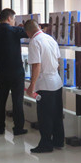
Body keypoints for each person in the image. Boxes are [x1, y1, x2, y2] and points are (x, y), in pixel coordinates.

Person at [25, 19, 64, 153]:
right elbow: (57, 60)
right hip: (57, 82)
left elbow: (36, 65)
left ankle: (46, 144)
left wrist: (32, 86)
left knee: (45, 116)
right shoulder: (50, 38)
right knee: (57, 114)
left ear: (28, 32)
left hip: (45, 84)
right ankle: (58, 141)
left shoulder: (34, 42)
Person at [0, 8, 28, 136]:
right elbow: (30, 33)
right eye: (14, 19)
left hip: (1, 72)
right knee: (17, 101)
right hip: (16, 71)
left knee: (1, 100)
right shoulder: (15, 31)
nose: (14, 21)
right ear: (9, 18)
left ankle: (0, 127)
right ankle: (18, 128)